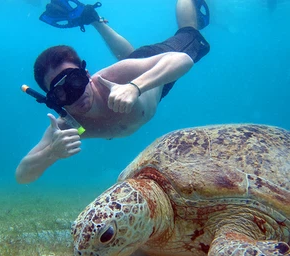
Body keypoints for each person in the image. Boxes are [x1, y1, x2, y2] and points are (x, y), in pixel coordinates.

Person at [16, 0, 210, 184]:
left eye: (75, 81)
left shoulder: (115, 78)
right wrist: (51, 153)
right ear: (52, 100)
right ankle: (93, 19)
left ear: (87, 74)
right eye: (61, 93)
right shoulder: (68, 126)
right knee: (130, 58)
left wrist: (135, 87)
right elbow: (22, 175)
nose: (76, 95)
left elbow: (182, 59)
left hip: (153, 74)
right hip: (138, 78)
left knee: (190, 34)